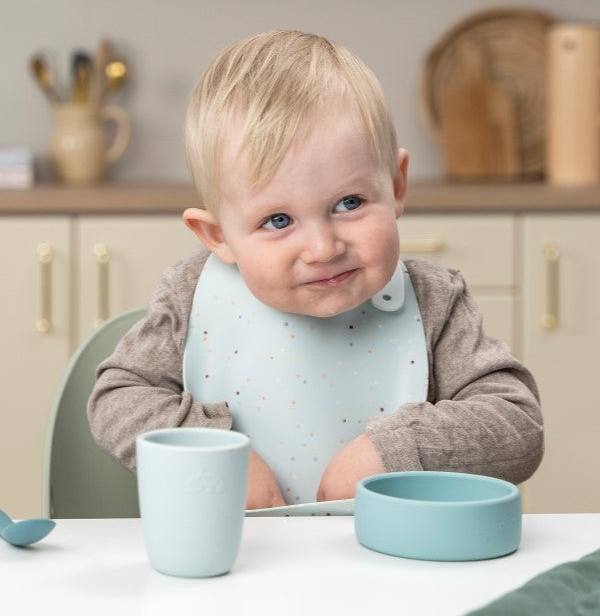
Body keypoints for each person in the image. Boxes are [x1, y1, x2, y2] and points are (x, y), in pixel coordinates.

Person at [88, 30, 543, 510]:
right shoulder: (189, 294)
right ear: (218, 236)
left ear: (397, 186)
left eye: (349, 203)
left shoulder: (434, 300)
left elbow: (517, 424)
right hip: (235, 567)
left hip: (391, 564)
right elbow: (118, 399)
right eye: (278, 220)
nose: (323, 248)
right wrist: (210, 452)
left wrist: (394, 450)